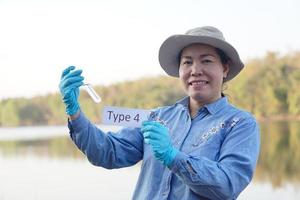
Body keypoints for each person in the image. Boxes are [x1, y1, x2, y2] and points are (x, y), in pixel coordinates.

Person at [59, 26, 260, 200]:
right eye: (187, 62)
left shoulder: (240, 123)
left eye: (206, 61)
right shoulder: (157, 117)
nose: (195, 70)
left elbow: (227, 184)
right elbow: (107, 153)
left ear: (224, 68)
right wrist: (75, 113)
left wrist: (174, 157)